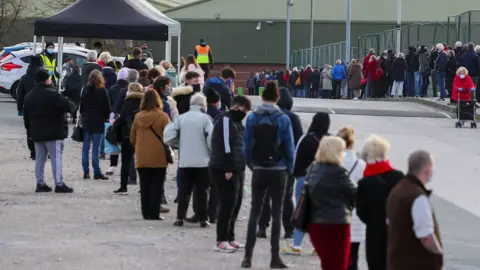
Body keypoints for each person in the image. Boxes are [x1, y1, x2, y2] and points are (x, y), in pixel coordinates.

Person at [241, 81, 295, 269]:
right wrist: (290, 168)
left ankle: (248, 256)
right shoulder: (282, 118)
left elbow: (246, 147)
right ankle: (274, 257)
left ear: (262, 97)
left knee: (255, 212)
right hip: (278, 170)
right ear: (277, 98)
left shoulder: (252, 118)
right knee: (277, 212)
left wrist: (252, 165)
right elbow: (289, 147)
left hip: (259, 169)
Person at [257, 86, 303, 240]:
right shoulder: (293, 118)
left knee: (265, 197)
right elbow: (299, 142)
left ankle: (262, 227)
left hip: (266, 162)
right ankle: (288, 229)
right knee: (287, 196)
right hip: (285, 164)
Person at [387, 150, 443, 270]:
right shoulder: (418, 197)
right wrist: (438, 255)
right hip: (416, 263)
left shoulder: (398, 190)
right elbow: (426, 236)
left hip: (397, 261)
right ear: (427, 170)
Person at [164, 93, 214, 228]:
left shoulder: (181, 118)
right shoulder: (206, 119)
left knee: (184, 192)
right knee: (202, 191)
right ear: (203, 105)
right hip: (202, 161)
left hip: (185, 160)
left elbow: (168, 135)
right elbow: (211, 138)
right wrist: (210, 151)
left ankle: (180, 218)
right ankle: (203, 219)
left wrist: (178, 144)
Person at [306, 136, 356, 270]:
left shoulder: (313, 169)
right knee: (340, 263)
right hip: (337, 223)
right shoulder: (339, 172)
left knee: (327, 262)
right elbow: (354, 194)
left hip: (315, 222)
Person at [283, 112, 330, 255]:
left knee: (302, 212)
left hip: (305, 179)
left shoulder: (306, 138)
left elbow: (295, 158)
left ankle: (297, 245)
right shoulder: (331, 140)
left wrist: (295, 175)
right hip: (324, 181)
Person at [209, 96, 252, 252]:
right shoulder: (225, 120)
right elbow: (225, 145)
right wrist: (228, 168)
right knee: (227, 204)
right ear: (237, 107)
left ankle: (230, 237)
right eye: (244, 109)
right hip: (224, 168)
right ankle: (221, 240)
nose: (245, 113)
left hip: (238, 167)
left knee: (236, 203)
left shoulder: (238, 122)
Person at [356, 135, 404, 270]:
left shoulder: (365, 183)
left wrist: (374, 219)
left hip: (375, 233)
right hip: (396, 232)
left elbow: (361, 212)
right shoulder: (399, 177)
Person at [23, 69, 74, 193]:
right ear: (47, 80)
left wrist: (29, 132)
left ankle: (40, 183)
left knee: (40, 158)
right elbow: (69, 106)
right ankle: (59, 183)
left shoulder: (29, 96)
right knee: (56, 157)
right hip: (54, 131)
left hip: (36, 132)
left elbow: (26, 117)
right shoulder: (53, 94)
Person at [130, 89, 170, 220]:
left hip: (142, 155)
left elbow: (132, 138)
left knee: (144, 185)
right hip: (159, 155)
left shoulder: (138, 117)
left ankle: (145, 212)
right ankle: (154, 213)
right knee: (157, 185)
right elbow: (169, 136)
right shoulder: (163, 116)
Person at [337, 127, 366, 270]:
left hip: (335, 214)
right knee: (353, 255)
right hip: (355, 215)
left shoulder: (334, 163)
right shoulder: (361, 165)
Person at [112, 83, 144, 195]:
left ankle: (123, 187)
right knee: (142, 162)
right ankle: (144, 187)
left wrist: (115, 127)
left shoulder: (128, 102)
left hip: (128, 134)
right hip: (142, 135)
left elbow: (123, 118)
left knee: (125, 162)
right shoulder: (144, 102)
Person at [80, 70, 111, 180]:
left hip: (87, 121)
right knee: (95, 148)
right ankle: (96, 171)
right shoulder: (102, 91)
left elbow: (81, 107)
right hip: (98, 121)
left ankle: (86, 171)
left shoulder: (85, 90)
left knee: (85, 147)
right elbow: (107, 108)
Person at [17, 56, 43, 159]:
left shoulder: (24, 78)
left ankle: (33, 152)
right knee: (42, 129)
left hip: (28, 108)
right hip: (42, 107)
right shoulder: (42, 77)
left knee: (30, 130)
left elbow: (20, 95)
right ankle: (42, 150)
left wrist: (20, 108)